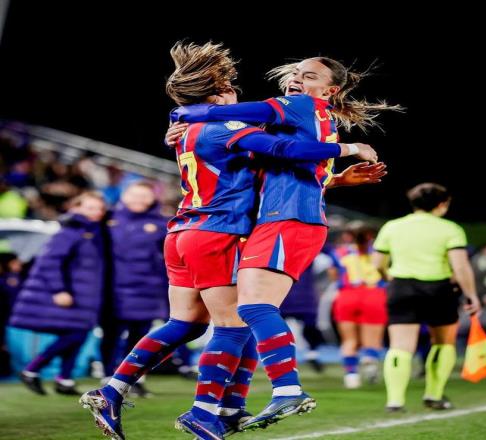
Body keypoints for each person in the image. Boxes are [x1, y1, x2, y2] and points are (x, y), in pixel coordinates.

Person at [80, 41, 379, 440]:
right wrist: (347, 148)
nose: (237, 94)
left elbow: (275, 169)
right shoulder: (230, 127)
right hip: (215, 232)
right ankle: (208, 411)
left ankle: (112, 390)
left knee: (184, 324)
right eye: (229, 89)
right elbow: (283, 149)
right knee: (235, 325)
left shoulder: (191, 133)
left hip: (182, 232)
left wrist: (331, 178)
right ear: (216, 98)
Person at [168, 53, 397, 431]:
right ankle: (228, 409)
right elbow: (290, 164)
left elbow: (216, 114)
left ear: (329, 90)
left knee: (253, 307)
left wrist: (181, 116)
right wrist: (337, 179)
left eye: (309, 76)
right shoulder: (306, 117)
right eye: (296, 73)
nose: (297, 79)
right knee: (247, 313)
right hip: (286, 219)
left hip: (287, 221)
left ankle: (286, 390)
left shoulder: (298, 106)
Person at [372, 183, 481, 411]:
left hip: (401, 287)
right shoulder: (450, 229)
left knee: (400, 346)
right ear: (442, 204)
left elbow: (378, 264)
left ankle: (395, 401)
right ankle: (434, 395)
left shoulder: (392, 226)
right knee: (443, 343)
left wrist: (388, 277)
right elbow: (460, 267)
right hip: (439, 288)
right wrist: (471, 294)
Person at [9, 191, 107, 395]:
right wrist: (59, 290)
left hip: (83, 295)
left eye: (100, 208)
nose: (96, 212)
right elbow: (49, 262)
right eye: (90, 207)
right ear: (76, 208)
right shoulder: (69, 232)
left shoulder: (93, 232)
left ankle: (64, 379)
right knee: (75, 334)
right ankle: (32, 369)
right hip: (70, 294)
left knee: (78, 335)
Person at [100, 181, 169, 397]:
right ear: (124, 196)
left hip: (148, 289)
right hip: (112, 289)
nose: (139, 199)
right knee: (111, 334)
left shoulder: (162, 224)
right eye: (134, 194)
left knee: (140, 338)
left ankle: (134, 379)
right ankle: (108, 376)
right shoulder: (106, 220)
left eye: (144, 195)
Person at [331, 223, 387, 388]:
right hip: (374, 295)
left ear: (348, 235)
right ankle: (370, 362)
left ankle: (351, 376)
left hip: (347, 295)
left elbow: (334, 275)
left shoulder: (339, 252)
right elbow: (384, 271)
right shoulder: (380, 252)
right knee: (372, 340)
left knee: (349, 340)